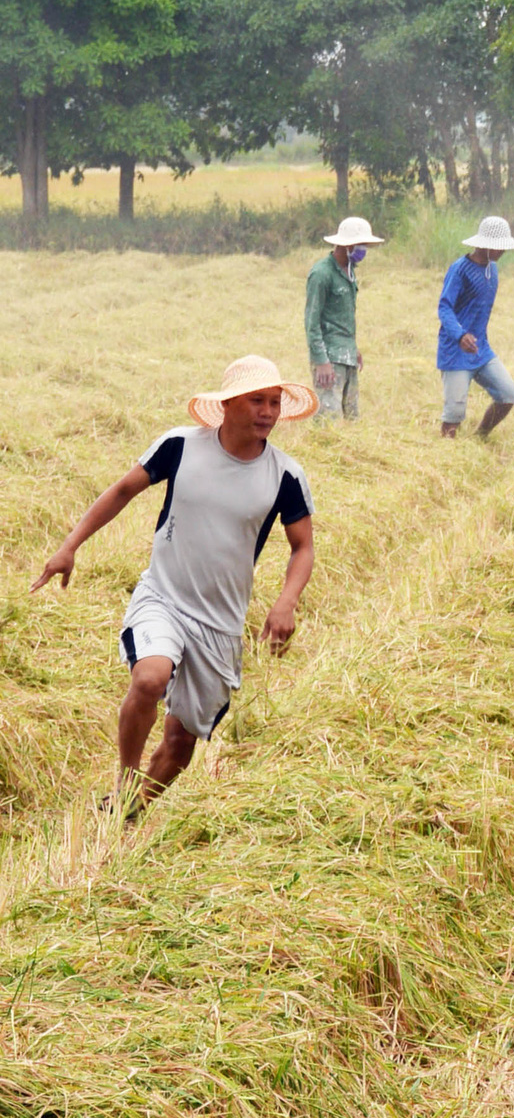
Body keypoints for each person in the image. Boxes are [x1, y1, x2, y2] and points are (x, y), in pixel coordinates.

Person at [31, 356, 317, 816]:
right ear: (227, 405)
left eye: (275, 402)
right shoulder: (180, 446)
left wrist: (286, 602)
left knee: (181, 742)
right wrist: (70, 546)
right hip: (163, 597)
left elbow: (302, 547)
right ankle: (125, 781)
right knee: (149, 677)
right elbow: (123, 490)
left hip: (221, 625)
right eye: (257, 400)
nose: (268, 411)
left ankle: (129, 811)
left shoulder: (286, 476)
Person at [438, 215, 514, 439]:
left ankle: (480, 437)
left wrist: (476, 339)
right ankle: (446, 452)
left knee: (507, 394)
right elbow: (445, 308)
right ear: (483, 245)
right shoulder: (460, 270)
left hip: (481, 349)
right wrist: (460, 335)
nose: (502, 252)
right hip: (456, 351)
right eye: (498, 247)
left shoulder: (492, 270)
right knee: (454, 413)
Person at [304, 215, 383, 422]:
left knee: (351, 416)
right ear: (346, 245)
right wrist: (321, 361)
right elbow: (312, 322)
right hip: (329, 357)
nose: (364, 250)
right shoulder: (321, 274)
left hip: (346, 355)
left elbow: (343, 317)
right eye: (361, 245)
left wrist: (352, 348)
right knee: (328, 418)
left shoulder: (349, 272)